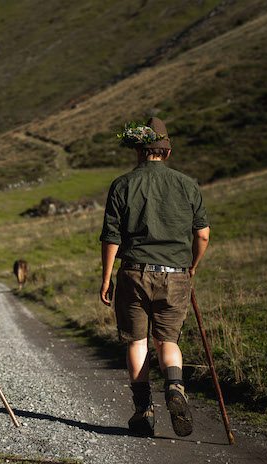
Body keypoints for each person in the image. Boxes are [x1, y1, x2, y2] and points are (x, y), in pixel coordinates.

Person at [99, 117, 210, 437]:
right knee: (168, 341)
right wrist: (192, 265)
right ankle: (175, 389)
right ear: (167, 153)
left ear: (139, 151)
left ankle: (142, 409)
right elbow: (202, 235)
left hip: (133, 273)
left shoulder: (122, 184)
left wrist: (107, 278)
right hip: (175, 275)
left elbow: (111, 238)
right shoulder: (188, 184)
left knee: (137, 341)